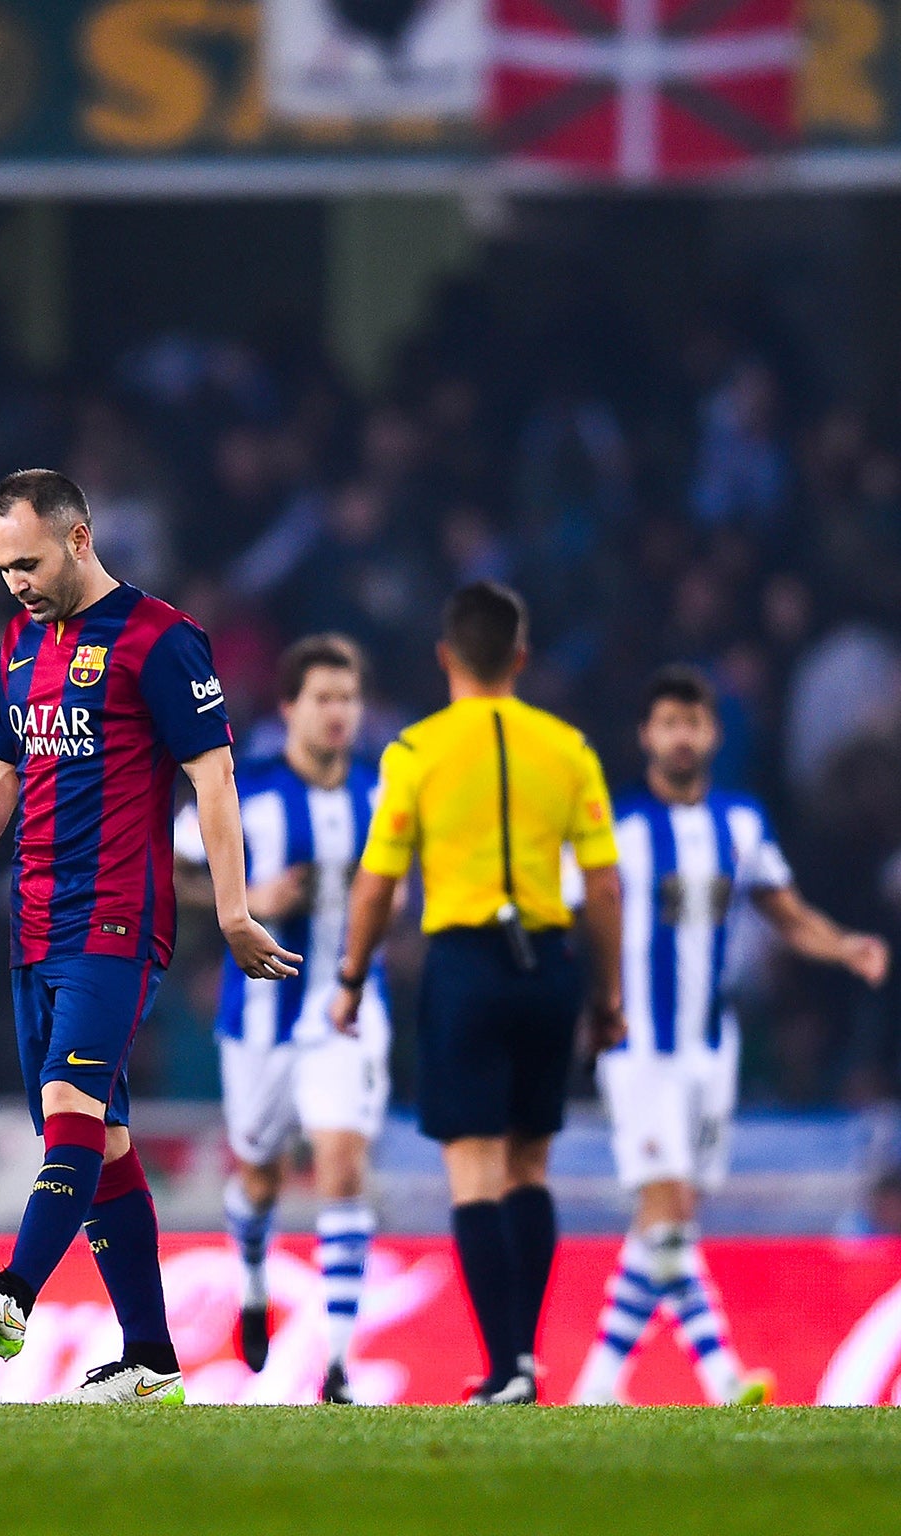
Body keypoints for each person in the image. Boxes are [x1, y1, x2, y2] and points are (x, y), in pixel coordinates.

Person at [0, 470, 298, 1404]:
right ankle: (152, 1361)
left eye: (27, 561)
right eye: (0, 567)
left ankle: (10, 1299)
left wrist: (231, 909)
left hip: (115, 920)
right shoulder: (20, 641)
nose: (13, 582)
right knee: (106, 1143)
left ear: (81, 538)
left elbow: (212, 780)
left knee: (70, 1111)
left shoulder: (162, 641)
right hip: (35, 925)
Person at [332, 581, 623, 1404]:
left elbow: (377, 884)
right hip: (548, 968)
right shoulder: (568, 749)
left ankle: (504, 1368)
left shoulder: (416, 753)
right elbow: (603, 889)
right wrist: (608, 997)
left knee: (474, 1169)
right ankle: (523, 1360)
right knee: (531, 1164)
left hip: (464, 966)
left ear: (446, 658)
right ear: (522, 659)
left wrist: (351, 980)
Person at [572, 666, 888, 1406]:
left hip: (711, 1050)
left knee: (669, 1220)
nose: (682, 736)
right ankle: (719, 1377)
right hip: (641, 1044)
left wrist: (843, 946)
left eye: (694, 723)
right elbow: (569, 913)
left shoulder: (740, 824)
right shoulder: (615, 829)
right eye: (668, 723)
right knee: (667, 1208)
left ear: (712, 735)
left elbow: (784, 911)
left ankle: (600, 1385)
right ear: (647, 736)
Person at [175, 633, 387, 1404]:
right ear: (291, 708)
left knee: (342, 1165)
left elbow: (402, 890)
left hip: (349, 1012)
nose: (338, 713)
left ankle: (336, 1362)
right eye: (323, 698)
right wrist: (247, 901)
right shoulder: (247, 791)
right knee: (259, 1175)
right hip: (259, 1017)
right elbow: (174, 873)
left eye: (349, 698)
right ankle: (255, 1282)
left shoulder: (379, 797)